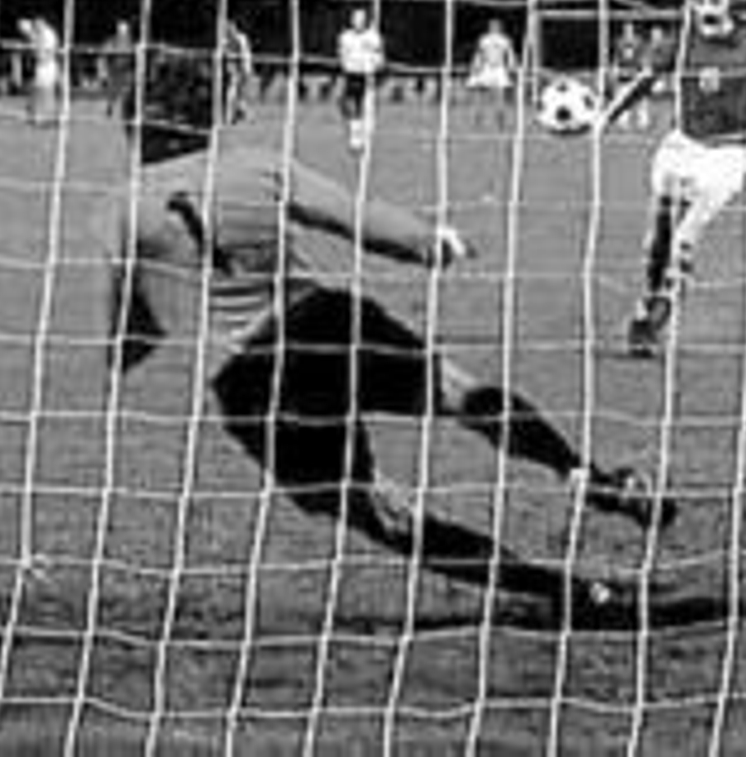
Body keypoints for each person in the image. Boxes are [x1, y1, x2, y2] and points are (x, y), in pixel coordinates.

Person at [98, 49, 676, 626]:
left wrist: (113, 362)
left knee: (382, 513)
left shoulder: (123, 209)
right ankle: (584, 475)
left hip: (252, 382)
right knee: (462, 396)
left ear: (136, 122)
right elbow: (358, 219)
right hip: (324, 323)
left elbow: (139, 326)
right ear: (207, 119)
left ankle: (566, 592)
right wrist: (430, 242)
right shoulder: (257, 166)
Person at [597, 0, 746, 358]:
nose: (706, 7)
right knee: (656, 241)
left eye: (714, 0)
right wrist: (606, 116)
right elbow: (643, 82)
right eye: (699, 0)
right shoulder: (679, 43)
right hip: (681, 147)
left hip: (727, 155)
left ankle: (652, 320)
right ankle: (650, 299)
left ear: (730, 5)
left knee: (686, 237)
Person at [337, 7, 386, 154]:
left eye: (361, 19)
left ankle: (364, 139)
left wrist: (376, 66)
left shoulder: (373, 36)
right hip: (352, 75)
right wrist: (346, 65)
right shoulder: (345, 37)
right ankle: (355, 139)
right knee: (349, 106)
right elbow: (342, 55)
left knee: (367, 107)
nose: (358, 22)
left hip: (368, 76)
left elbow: (380, 56)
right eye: (356, 19)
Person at [464, 18, 519, 127]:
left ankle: (500, 121)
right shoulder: (484, 39)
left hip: (499, 69)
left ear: (500, 27)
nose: (494, 28)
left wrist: (512, 66)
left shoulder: (505, 40)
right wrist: (475, 65)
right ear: (489, 27)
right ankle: (477, 120)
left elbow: (510, 54)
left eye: (497, 26)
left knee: (500, 96)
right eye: (492, 26)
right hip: (486, 68)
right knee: (479, 94)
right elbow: (479, 53)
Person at [17, 16, 63, 126]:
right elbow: (28, 32)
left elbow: (48, 50)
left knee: (46, 91)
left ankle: (50, 117)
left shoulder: (48, 34)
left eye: (39, 25)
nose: (37, 27)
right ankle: (32, 114)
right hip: (42, 65)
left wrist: (34, 41)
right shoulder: (39, 34)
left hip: (48, 65)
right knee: (36, 90)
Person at [99, 19, 136, 118]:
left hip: (127, 69)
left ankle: (126, 110)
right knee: (113, 91)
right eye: (122, 30)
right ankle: (109, 108)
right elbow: (104, 53)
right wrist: (103, 71)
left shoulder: (131, 42)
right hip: (115, 69)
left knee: (128, 91)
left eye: (125, 30)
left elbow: (134, 55)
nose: (124, 32)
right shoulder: (113, 41)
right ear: (118, 31)